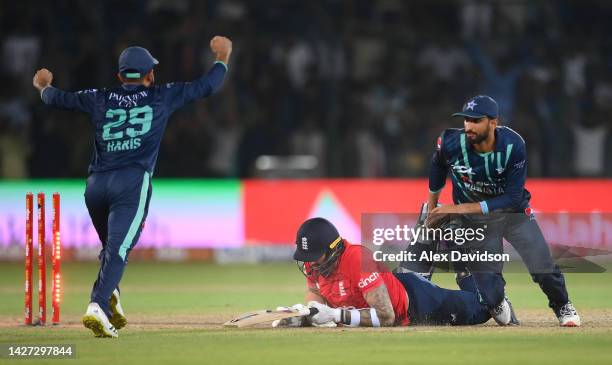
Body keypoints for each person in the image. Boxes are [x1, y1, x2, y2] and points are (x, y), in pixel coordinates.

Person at [32, 37, 233, 337]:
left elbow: (58, 99)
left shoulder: (99, 97)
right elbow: (207, 86)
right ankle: (98, 305)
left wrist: (43, 86)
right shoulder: (162, 96)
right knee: (120, 248)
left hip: (96, 185)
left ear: (120, 76)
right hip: (131, 182)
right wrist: (223, 56)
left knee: (112, 249)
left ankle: (111, 297)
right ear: (149, 75)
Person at [424, 95, 580, 327]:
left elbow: (513, 197)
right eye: (466, 119)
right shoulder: (450, 142)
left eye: (476, 120)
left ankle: (563, 305)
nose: (468, 126)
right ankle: (496, 298)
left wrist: (458, 208)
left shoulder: (512, 145)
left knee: (543, 267)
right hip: (477, 223)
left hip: (513, 216)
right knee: (490, 295)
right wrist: (432, 206)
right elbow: (437, 166)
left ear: (493, 123)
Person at [277, 217, 512, 328]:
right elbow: (315, 292)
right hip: (388, 286)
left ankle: (490, 292)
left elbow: (387, 316)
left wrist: (336, 316)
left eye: (314, 257)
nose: (310, 265)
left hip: (417, 302)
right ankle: (430, 241)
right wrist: (307, 313)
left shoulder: (357, 259)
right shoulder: (314, 263)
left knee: (480, 311)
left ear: (333, 249)